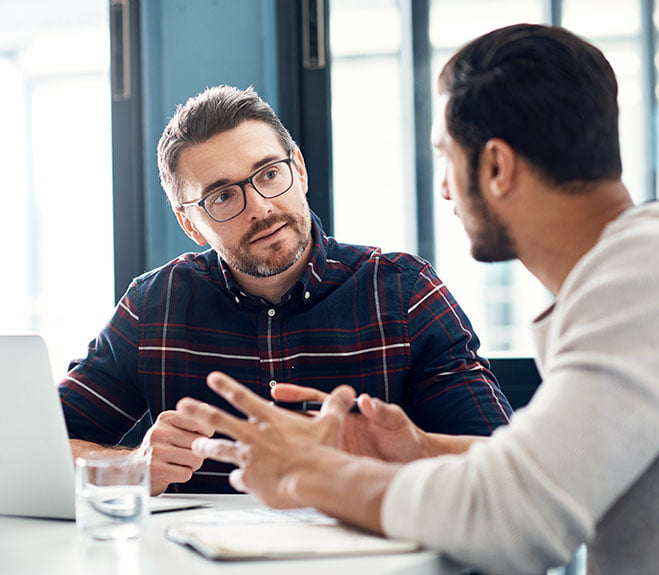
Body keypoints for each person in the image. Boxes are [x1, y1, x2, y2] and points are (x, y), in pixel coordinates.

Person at [175, 24, 659, 574]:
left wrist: (310, 473)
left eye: (445, 157)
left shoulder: (647, 277)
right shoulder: (639, 269)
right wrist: (419, 448)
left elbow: (514, 519)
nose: (442, 188)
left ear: (495, 168)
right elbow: (556, 467)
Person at [58, 85, 512, 496]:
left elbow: (502, 467)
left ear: (299, 169)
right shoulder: (152, 307)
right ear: (189, 223)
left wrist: (403, 451)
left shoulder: (405, 293)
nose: (260, 206)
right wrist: (130, 466)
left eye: (269, 173)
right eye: (222, 197)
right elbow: (35, 450)